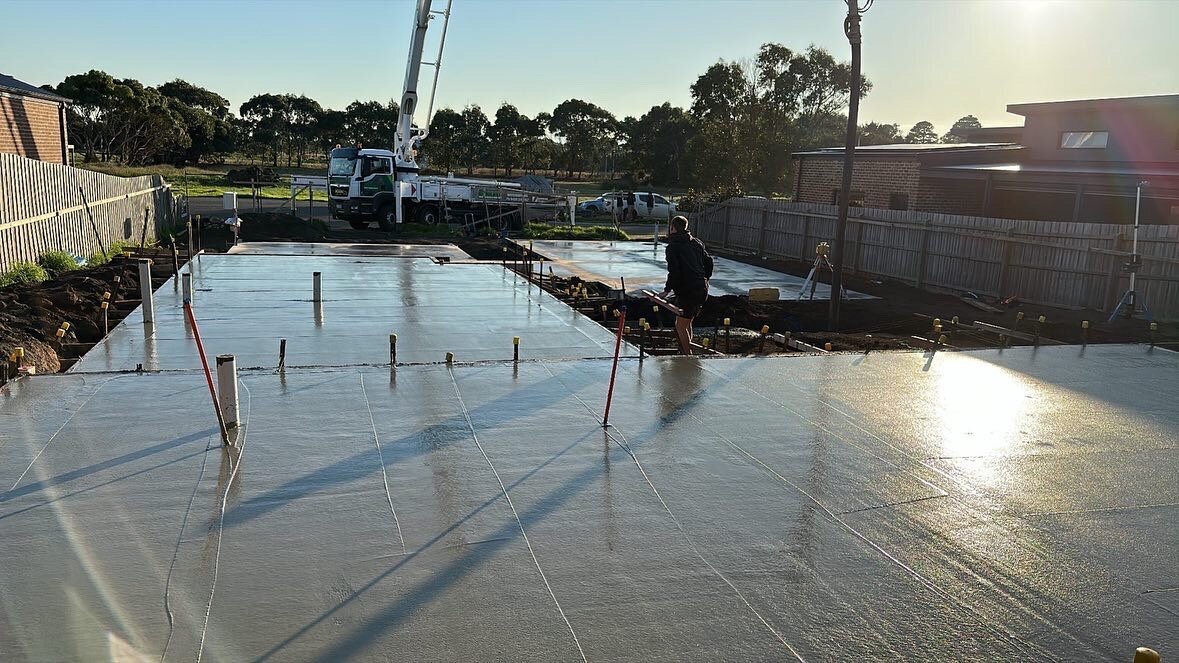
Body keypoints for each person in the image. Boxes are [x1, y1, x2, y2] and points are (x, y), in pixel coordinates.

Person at [659, 215, 713, 355]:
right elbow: (708, 262)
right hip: (701, 289)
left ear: (673, 228)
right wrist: (705, 278)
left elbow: (674, 272)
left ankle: (687, 356)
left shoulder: (673, 247)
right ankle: (685, 350)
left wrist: (666, 290)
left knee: (680, 326)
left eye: (670, 227)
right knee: (686, 321)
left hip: (688, 291)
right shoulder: (696, 242)